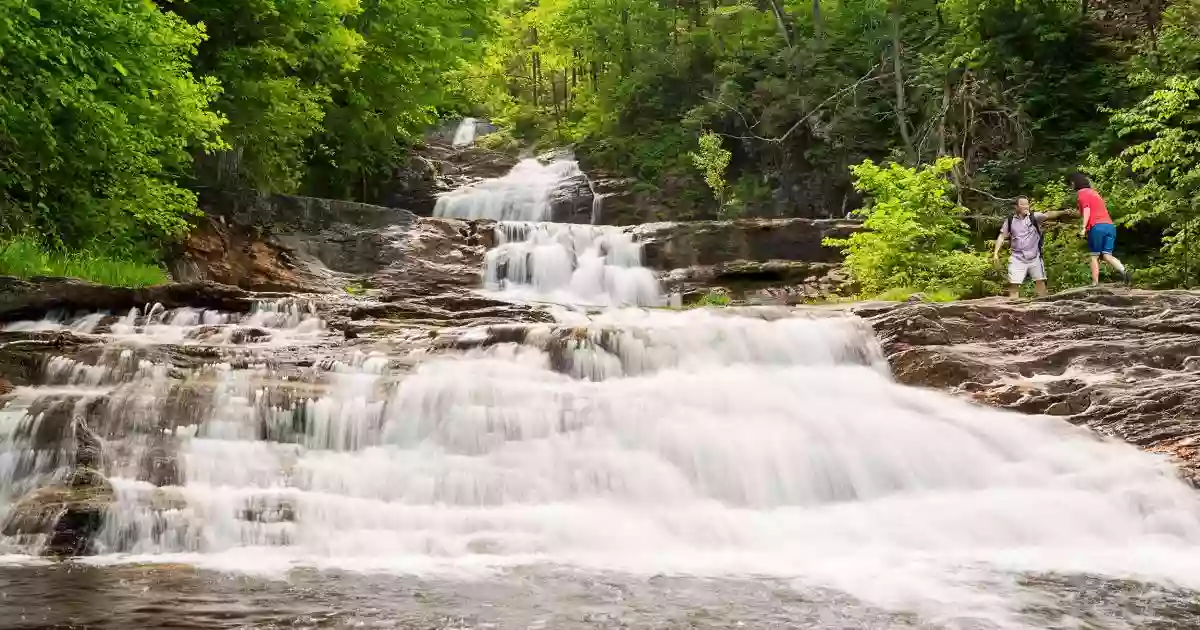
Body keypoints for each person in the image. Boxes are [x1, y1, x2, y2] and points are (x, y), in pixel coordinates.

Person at [992, 196, 1068, 298]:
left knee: (1040, 282)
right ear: (1016, 207)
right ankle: (1014, 308)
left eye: (1027, 204)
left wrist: (1063, 212)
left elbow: (1048, 215)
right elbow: (1002, 236)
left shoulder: (1034, 217)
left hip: (1034, 257)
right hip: (1017, 257)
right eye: (1022, 204)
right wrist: (996, 253)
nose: (1025, 206)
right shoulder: (1010, 220)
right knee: (1014, 284)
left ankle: (1044, 306)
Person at [1068, 173, 1131, 286]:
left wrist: (1083, 228)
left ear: (1076, 182)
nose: (1071, 184)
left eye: (1072, 182)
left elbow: (1087, 210)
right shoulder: (1094, 193)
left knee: (1094, 256)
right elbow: (1090, 209)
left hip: (1097, 227)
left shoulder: (1082, 193)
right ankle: (1124, 271)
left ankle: (1095, 283)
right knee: (1107, 255)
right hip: (1109, 226)